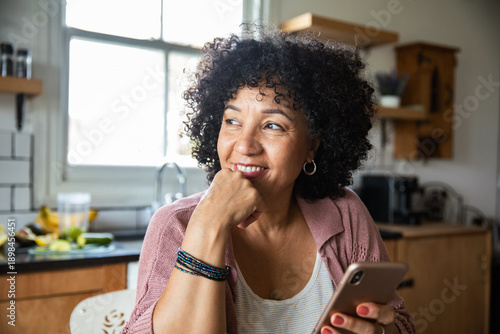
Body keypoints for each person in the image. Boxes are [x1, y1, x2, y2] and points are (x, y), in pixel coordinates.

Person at [122, 27, 415, 334]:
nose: (245, 146)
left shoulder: (346, 213)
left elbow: (400, 322)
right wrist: (208, 225)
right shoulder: (175, 225)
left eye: (273, 125)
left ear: (312, 145)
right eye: (232, 121)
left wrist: (381, 330)